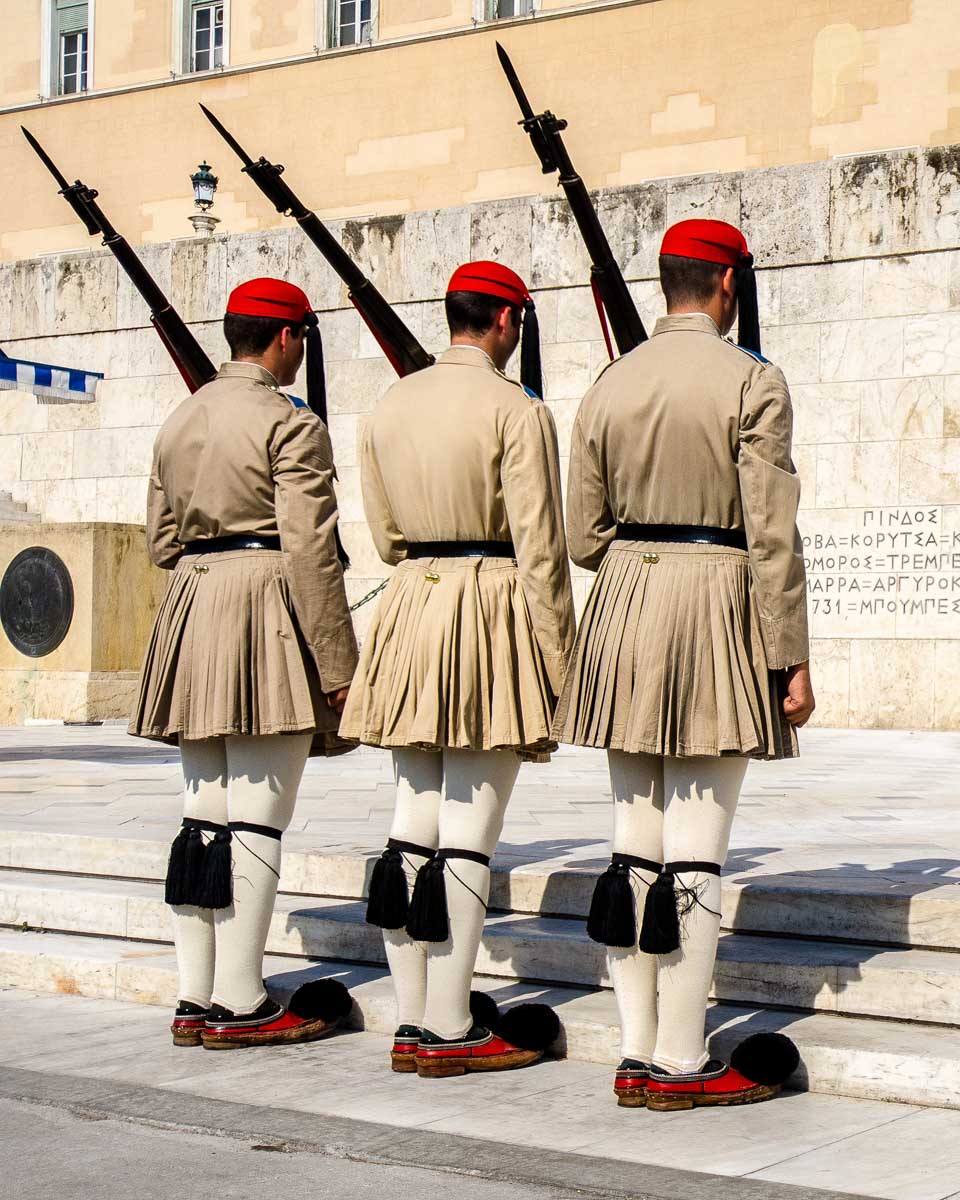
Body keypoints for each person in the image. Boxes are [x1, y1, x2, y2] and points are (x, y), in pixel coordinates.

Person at [554, 220, 814, 1110]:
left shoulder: (610, 382)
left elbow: (583, 536)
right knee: (696, 846)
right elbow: (771, 530)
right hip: (715, 600)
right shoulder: (752, 380)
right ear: (730, 284)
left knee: (634, 844)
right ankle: (679, 1058)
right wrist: (791, 657)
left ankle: (634, 1047)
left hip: (625, 602)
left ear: (667, 285)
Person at [340, 261, 575, 1077]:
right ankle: (449, 1025)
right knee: (470, 822)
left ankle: (411, 1018)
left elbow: (382, 533)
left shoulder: (388, 406)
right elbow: (542, 546)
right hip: (487, 603)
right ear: (507, 321)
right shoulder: (518, 409)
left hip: (411, 602)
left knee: (413, 815)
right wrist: (560, 654)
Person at [129, 278, 357, 1049]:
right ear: (287, 338)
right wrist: (337, 660)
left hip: (193, 605)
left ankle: (195, 995)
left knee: (202, 814)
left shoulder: (180, 417)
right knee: (258, 813)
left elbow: (161, 543)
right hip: (262, 604)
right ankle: (241, 997)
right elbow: (312, 552)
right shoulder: (288, 425)